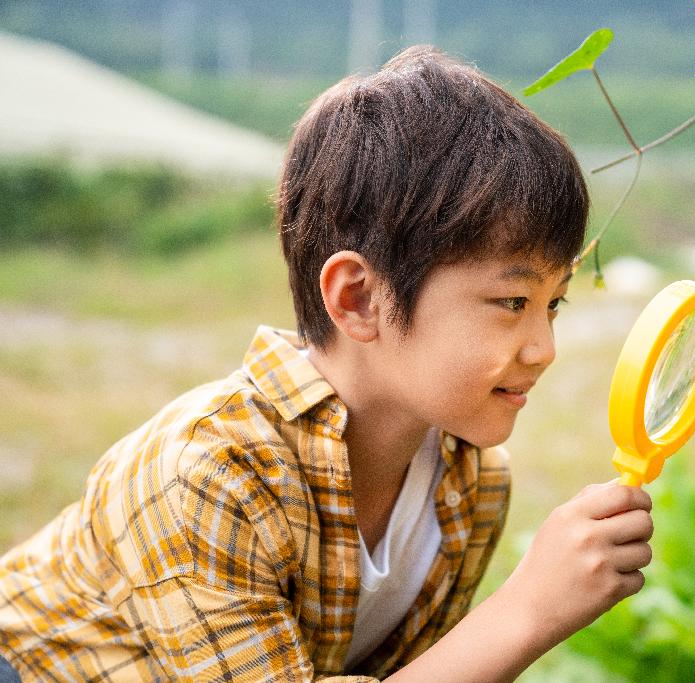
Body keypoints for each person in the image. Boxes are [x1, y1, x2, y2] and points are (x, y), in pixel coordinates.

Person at [0, 45, 654, 682]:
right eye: (513, 300)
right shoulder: (207, 473)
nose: (544, 347)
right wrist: (527, 610)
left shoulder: (472, 488)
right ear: (359, 298)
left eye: (555, 303)